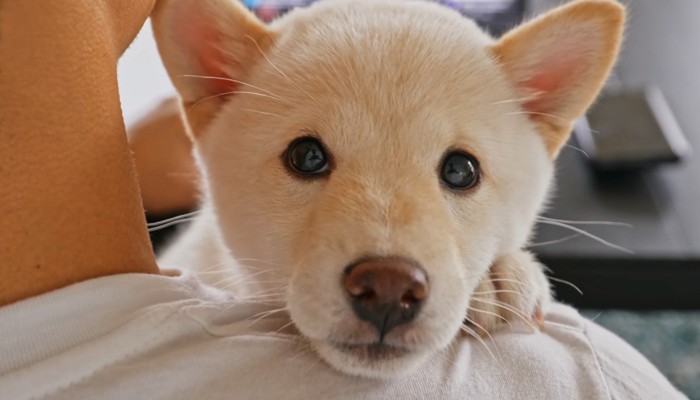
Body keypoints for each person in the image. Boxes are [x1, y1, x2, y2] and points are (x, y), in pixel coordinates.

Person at [0, 1, 687, 399]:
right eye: (309, 158)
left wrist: (489, 264)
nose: (389, 276)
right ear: (214, 93)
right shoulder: (597, 381)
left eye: (458, 172)